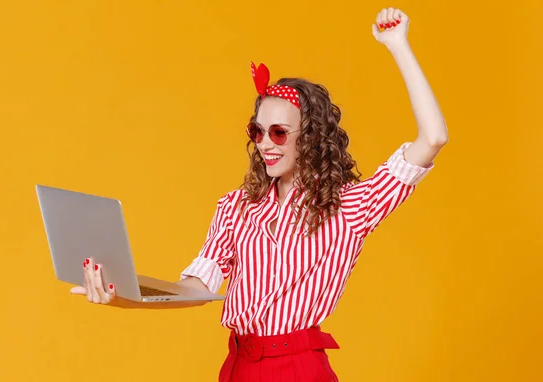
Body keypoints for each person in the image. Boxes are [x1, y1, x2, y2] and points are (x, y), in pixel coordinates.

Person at [71, 7, 448, 381]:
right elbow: (197, 288)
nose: (266, 143)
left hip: (299, 368)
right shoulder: (237, 207)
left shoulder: (350, 206)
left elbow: (433, 138)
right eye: (258, 131)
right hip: (238, 366)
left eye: (279, 132)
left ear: (311, 138)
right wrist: (127, 295)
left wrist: (398, 44)